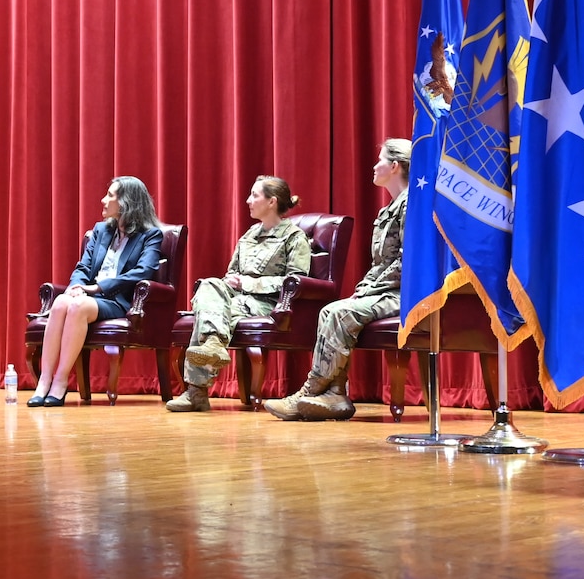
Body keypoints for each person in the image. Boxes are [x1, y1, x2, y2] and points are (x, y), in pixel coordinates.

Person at [264, 140, 411, 422]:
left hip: (406, 293)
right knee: (338, 308)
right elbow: (379, 264)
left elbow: (409, 262)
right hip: (386, 290)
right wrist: (363, 289)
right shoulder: (388, 210)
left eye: (379, 160)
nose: (374, 165)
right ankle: (335, 395)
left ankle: (310, 391)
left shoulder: (411, 206)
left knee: (337, 312)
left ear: (394, 166)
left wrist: (370, 289)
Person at [166, 176, 312, 413]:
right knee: (209, 284)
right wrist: (231, 283)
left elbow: (295, 281)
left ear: (272, 201)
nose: (248, 200)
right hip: (237, 297)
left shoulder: (293, 237)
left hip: (267, 303)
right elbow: (231, 273)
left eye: (255, 195)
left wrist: (248, 283)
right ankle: (213, 344)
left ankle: (196, 392)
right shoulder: (249, 235)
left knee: (207, 314)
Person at [29, 177, 165, 406]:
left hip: (119, 301)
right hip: (90, 296)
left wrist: (98, 287)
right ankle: (44, 380)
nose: (103, 200)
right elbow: (83, 266)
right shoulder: (101, 230)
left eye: (110, 195)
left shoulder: (150, 235)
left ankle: (61, 381)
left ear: (126, 202)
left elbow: (143, 272)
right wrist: (75, 286)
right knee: (62, 302)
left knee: (77, 306)